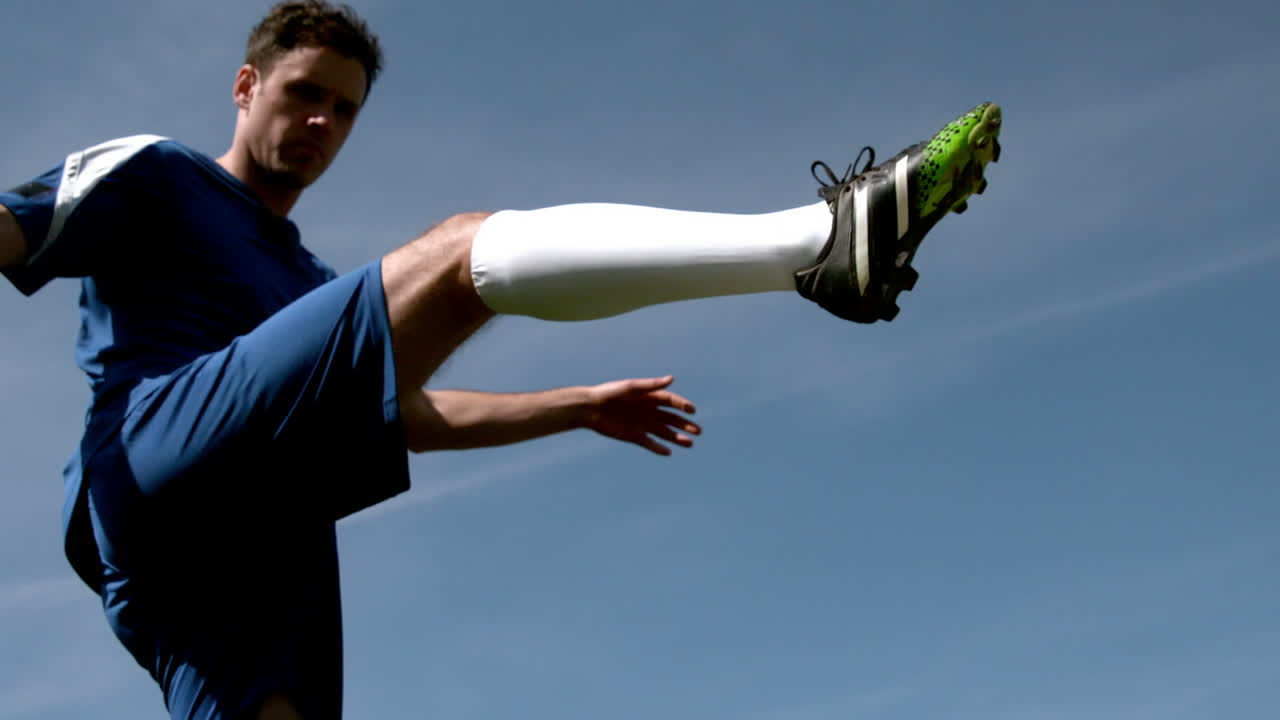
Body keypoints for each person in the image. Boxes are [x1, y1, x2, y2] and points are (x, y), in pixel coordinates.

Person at [0, 2, 1001, 718]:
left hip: (259, 532)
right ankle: (811, 247)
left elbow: (402, 415)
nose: (321, 125)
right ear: (245, 84)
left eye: (344, 111)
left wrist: (571, 406)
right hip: (155, 462)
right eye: (304, 95)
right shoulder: (161, 176)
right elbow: (13, 227)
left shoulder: (307, 288)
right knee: (458, 251)